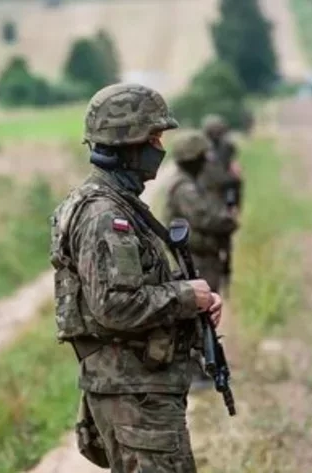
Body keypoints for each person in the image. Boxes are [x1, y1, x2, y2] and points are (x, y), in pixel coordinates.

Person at [49, 83, 223, 473]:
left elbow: (135, 283)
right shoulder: (105, 215)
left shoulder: (118, 204)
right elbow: (115, 305)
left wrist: (194, 297)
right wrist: (186, 297)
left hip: (137, 388)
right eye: (154, 138)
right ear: (127, 143)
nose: (160, 148)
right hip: (134, 392)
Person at [163, 130, 239, 391]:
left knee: (201, 312)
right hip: (196, 258)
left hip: (201, 256)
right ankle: (194, 370)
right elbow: (204, 217)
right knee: (198, 313)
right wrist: (227, 221)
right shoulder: (184, 187)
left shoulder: (189, 183)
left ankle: (200, 366)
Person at [199, 114, 243, 291]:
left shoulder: (224, 149)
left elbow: (233, 181)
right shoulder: (205, 153)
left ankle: (222, 279)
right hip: (213, 202)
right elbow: (224, 179)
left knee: (223, 245)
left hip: (221, 201)